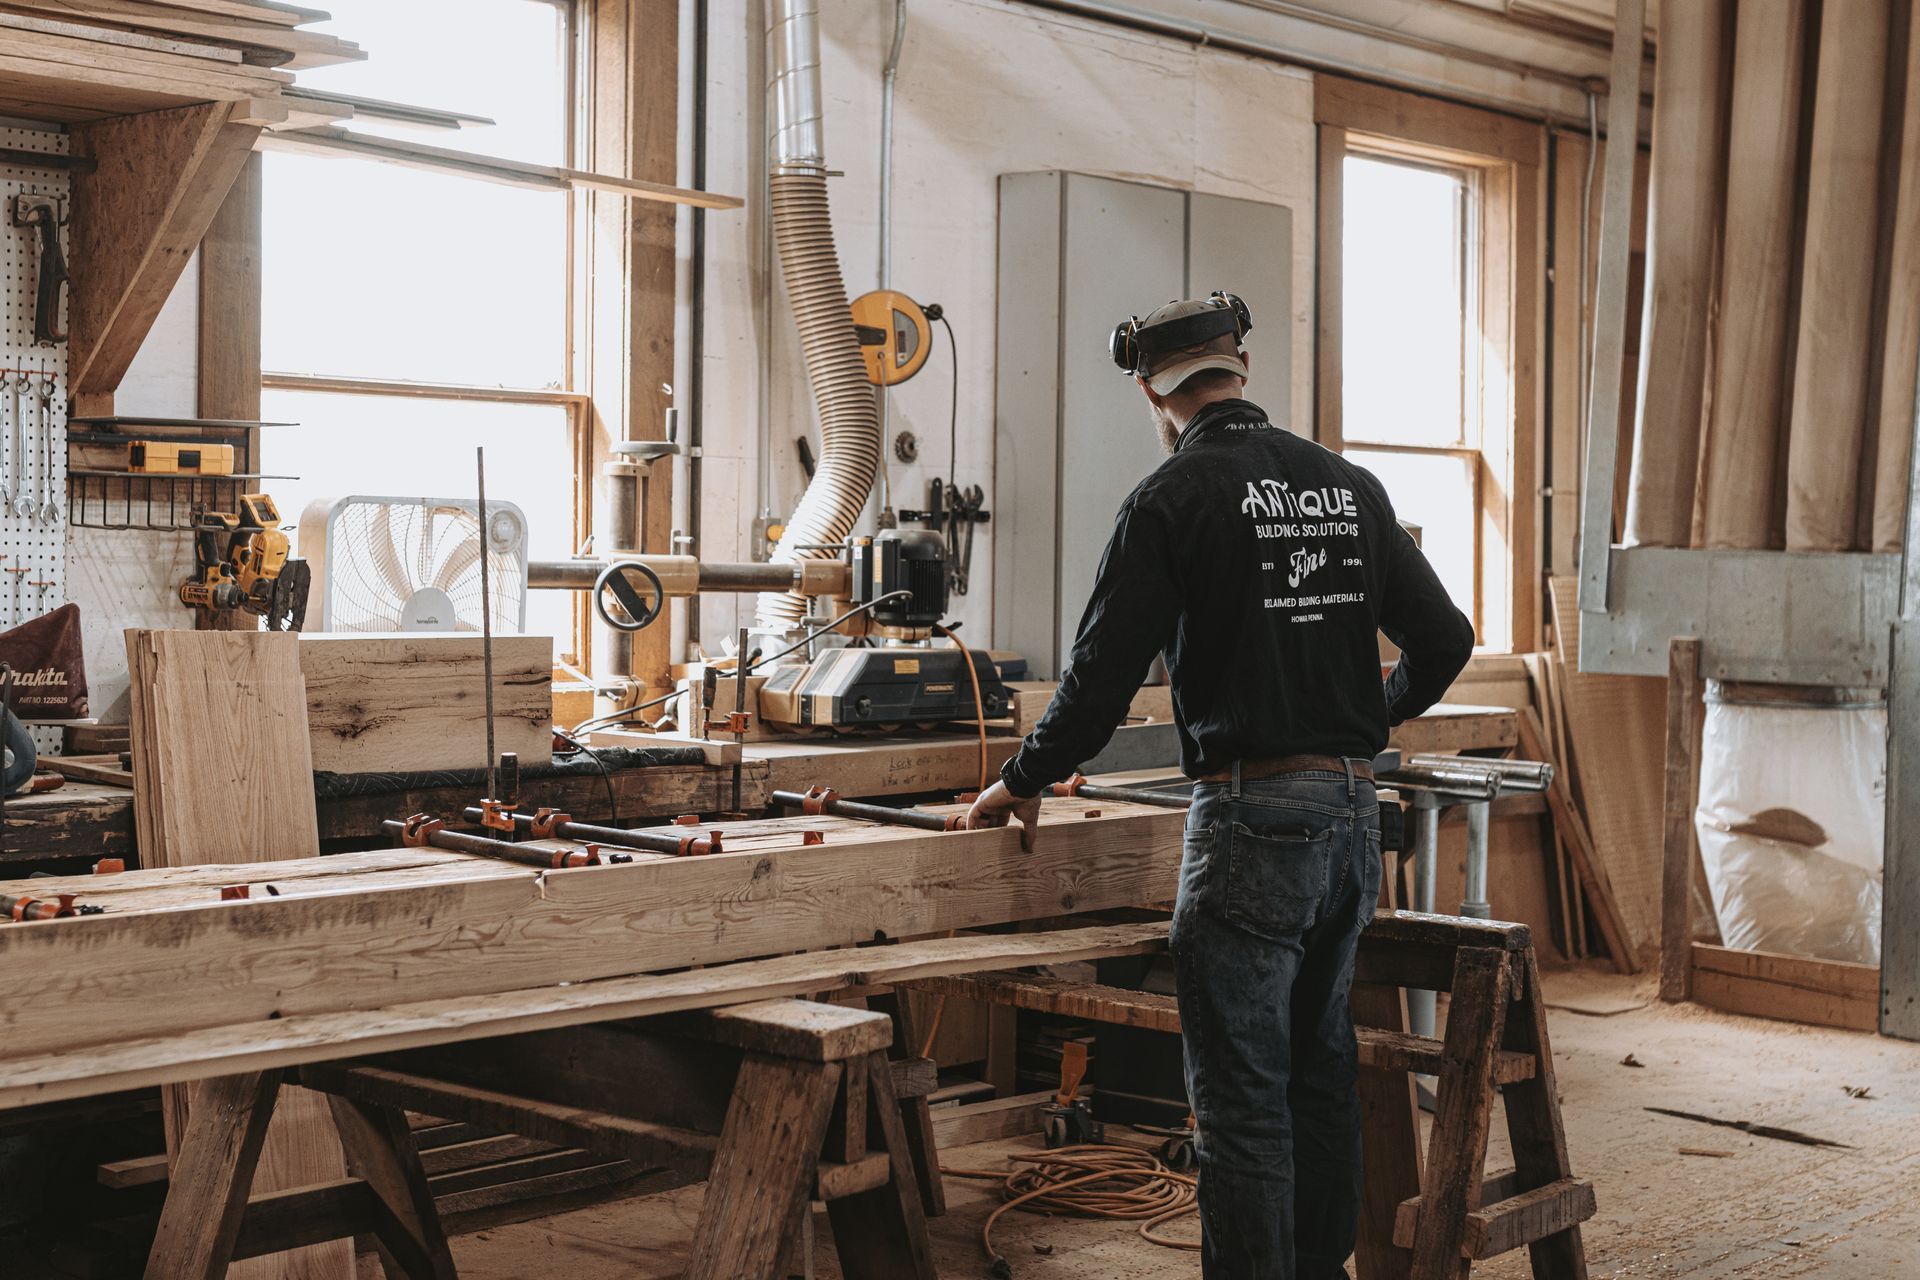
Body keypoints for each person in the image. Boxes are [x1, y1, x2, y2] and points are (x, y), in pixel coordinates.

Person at [965, 292, 1475, 1278]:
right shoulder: (1348, 485)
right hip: (1351, 815)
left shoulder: (1173, 497)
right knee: (1318, 1071)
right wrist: (1366, 718)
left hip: (1252, 818)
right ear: (1240, 372)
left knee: (1242, 1098)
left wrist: (1018, 781)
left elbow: (1096, 686)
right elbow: (1447, 639)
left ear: (1157, 396)